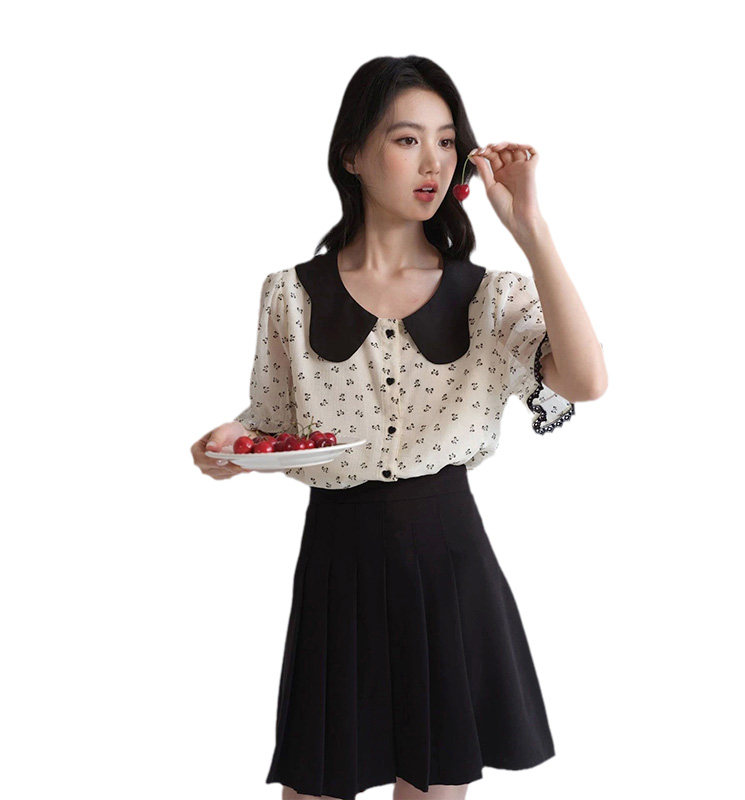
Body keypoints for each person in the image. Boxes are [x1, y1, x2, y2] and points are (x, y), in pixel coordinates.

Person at [190, 55, 607, 800]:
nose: (434, 162)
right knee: (314, 785)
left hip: (447, 565)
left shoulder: (488, 297)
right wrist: (229, 444)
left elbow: (586, 382)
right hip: (336, 566)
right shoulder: (290, 295)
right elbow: (276, 422)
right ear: (352, 153)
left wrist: (531, 230)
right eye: (407, 139)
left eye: (447, 142)